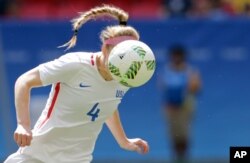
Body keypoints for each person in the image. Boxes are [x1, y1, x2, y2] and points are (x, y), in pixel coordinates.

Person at [4, 5, 149, 163]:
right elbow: (24, 81)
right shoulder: (76, 64)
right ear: (105, 48)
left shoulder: (125, 77)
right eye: (122, 57)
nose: (126, 65)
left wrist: (124, 141)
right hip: (37, 157)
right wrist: (23, 125)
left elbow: (107, 105)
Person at [159, 45, 201, 162]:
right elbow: (162, 87)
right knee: (173, 134)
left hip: (185, 108)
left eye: (179, 56)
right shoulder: (166, 70)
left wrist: (189, 88)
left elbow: (197, 88)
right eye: (174, 56)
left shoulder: (190, 71)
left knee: (184, 134)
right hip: (170, 108)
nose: (176, 58)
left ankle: (184, 158)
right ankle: (176, 158)